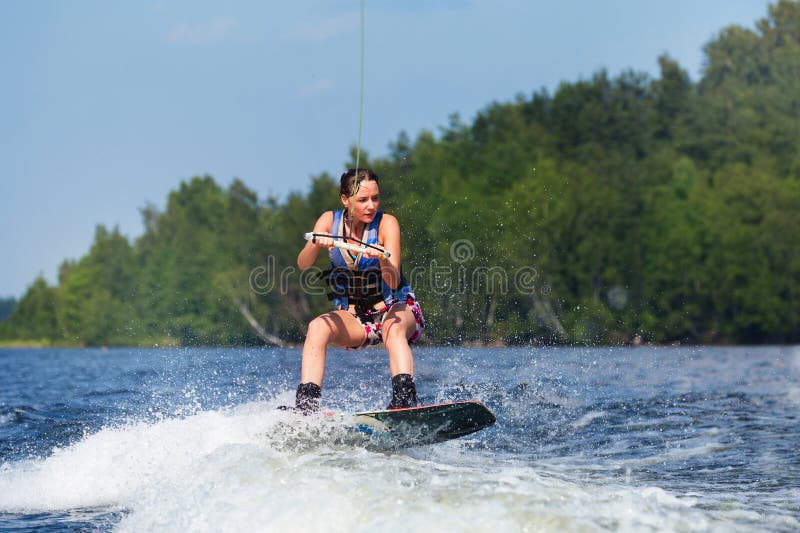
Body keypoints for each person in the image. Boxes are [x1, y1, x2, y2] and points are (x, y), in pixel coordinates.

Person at [291, 168, 424, 414]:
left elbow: (393, 282)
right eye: (363, 200)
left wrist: (383, 259)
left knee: (392, 330)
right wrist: (316, 242)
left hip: (395, 308)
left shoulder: (387, 223)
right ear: (345, 199)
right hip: (355, 317)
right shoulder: (328, 220)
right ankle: (307, 407)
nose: (371, 205)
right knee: (317, 327)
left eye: (375, 198)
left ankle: (405, 402)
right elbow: (303, 264)